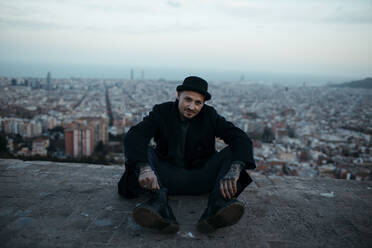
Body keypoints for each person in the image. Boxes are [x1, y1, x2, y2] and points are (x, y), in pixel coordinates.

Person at [118, 76, 256, 234]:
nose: (192, 107)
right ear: (178, 96)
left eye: (198, 103)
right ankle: (159, 204)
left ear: (203, 104)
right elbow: (136, 135)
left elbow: (240, 138)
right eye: (188, 99)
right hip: (164, 179)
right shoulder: (162, 112)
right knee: (145, 152)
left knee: (233, 152)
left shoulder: (209, 115)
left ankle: (217, 205)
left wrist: (235, 169)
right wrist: (144, 168)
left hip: (202, 177)